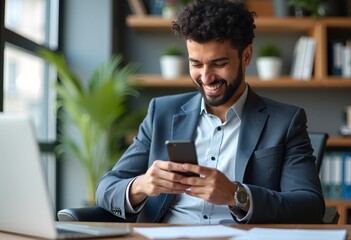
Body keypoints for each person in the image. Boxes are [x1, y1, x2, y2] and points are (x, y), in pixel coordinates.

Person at [96, 0, 325, 224]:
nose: (206, 77)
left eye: (218, 64)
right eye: (196, 64)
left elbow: (310, 206)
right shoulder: (161, 113)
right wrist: (142, 185)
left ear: (246, 56)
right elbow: (106, 189)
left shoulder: (285, 121)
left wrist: (236, 195)